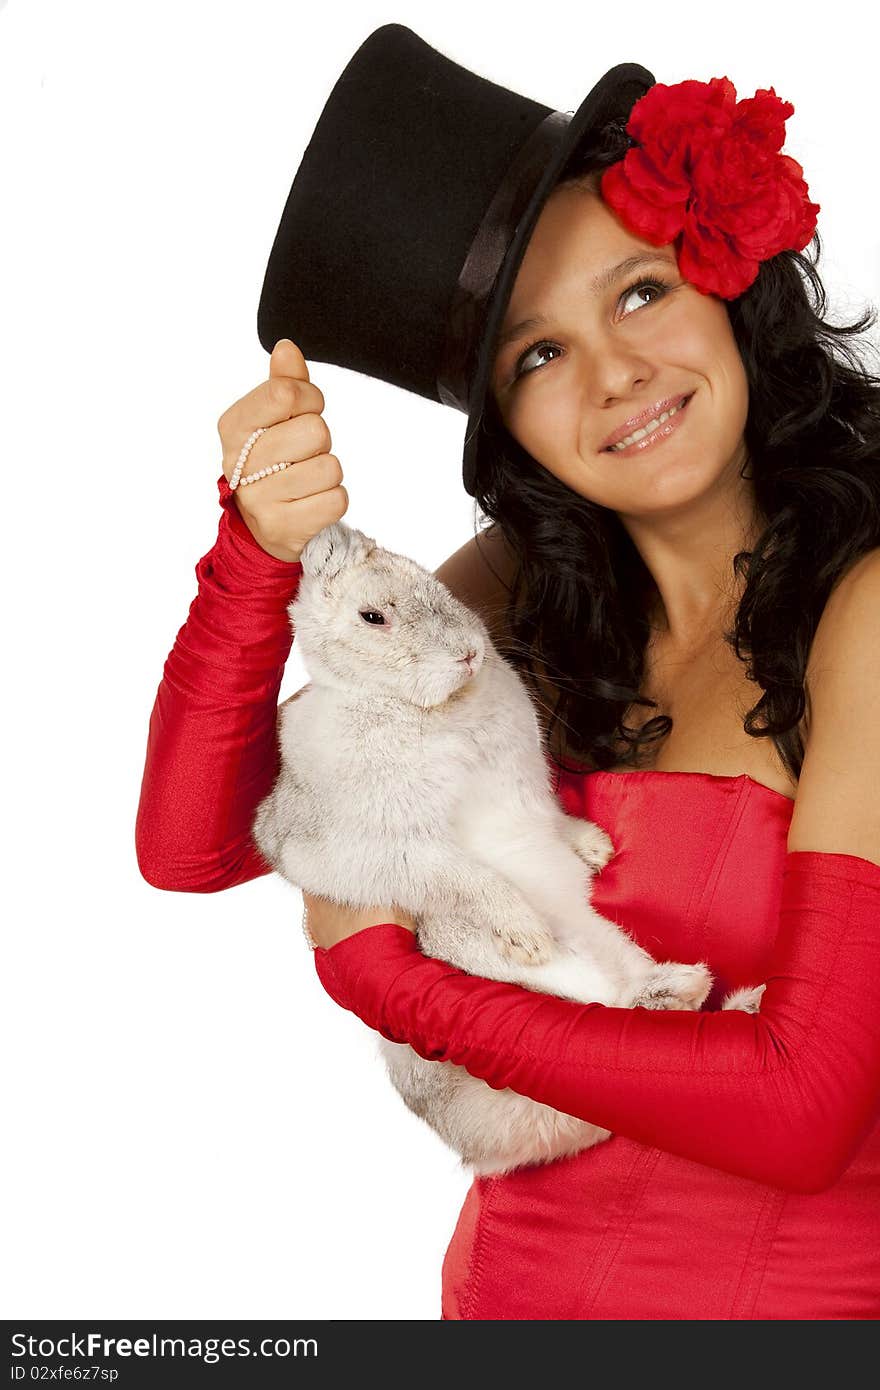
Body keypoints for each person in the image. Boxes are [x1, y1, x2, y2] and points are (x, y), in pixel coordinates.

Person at [136, 26, 880, 1319]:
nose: (617, 375)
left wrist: (407, 991)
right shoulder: (518, 593)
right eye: (539, 356)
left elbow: (800, 1106)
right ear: (511, 425)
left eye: (640, 291)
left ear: (726, 283)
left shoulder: (867, 601)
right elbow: (196, 840)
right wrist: (256, 558)